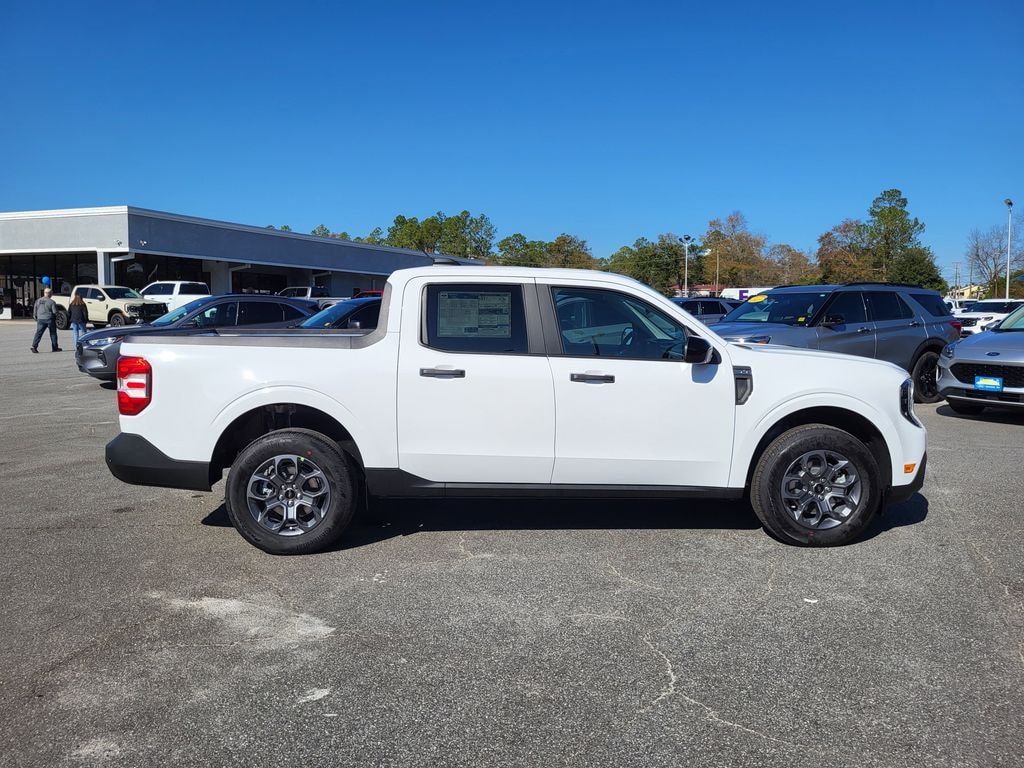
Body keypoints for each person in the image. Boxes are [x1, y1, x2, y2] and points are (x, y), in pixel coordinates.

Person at [31, 288, 61, 353]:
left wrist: (35, 316)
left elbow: (35, 310)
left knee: (39, 333)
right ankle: (55, 347)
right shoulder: (52, 302)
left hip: (40, 319)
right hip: (50, 319)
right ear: (50, 294)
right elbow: (55, 312)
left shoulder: (38, 301)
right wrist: (58, 317)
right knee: (53, 333)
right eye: (51, 293)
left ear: (44, 293)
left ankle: (34, 347)